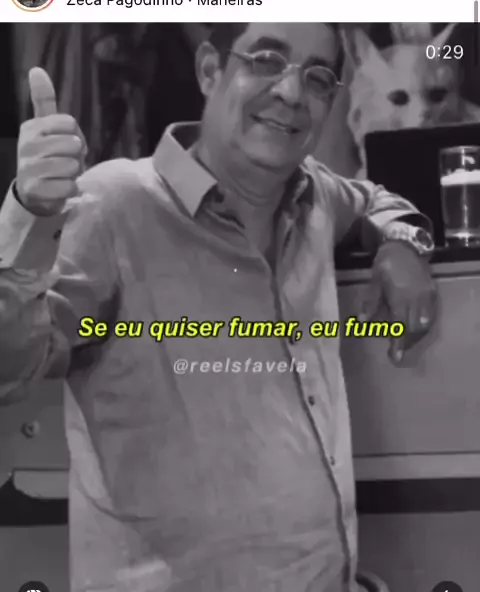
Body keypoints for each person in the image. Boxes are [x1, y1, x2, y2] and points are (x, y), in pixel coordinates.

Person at [0, 23, 437, 592]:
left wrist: (403, 243)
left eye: (317, 78)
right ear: (209, 70)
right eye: (266, 60)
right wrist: (28, 213)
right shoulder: (114, 205)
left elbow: (376, 199)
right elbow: (10, 366)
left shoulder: (315, 196)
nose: (291, 91)